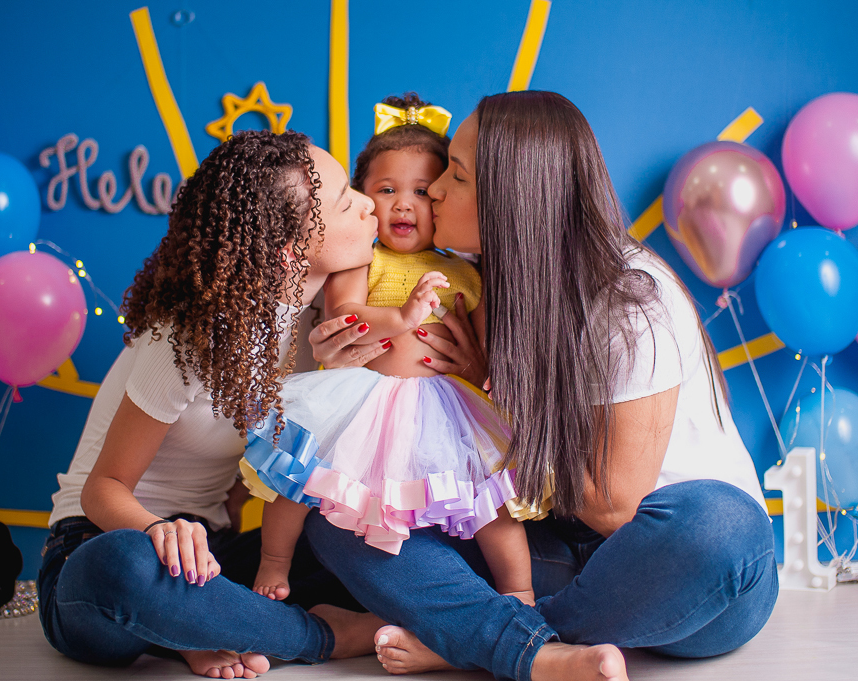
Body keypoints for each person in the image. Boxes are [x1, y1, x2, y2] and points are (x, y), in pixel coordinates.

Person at [304, 91, 778, 681]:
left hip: (676, 569)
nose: (435, 193)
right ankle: (515, 639)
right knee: (337, 513)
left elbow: (613, 507)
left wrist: (489, 389)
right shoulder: (479, 285)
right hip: (552, 548)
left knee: (724, 526)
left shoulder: (628, 300)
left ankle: (474, 638)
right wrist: (343, 357)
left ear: (512, 197)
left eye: (455, 175)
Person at [40, 130, 389, 679]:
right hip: (108, 539)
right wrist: (159, 530)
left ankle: (195, 628)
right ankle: (319, 637)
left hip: (210, 557)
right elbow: (101, 490)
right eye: (348, 200)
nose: (370, 204)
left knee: (352, 536)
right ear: (292, 251)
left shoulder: (313, 324)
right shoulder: (191, 334)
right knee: (122, 569)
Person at [243, 94, 535, 608]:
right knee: (299, 474)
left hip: (447, 409)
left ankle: (519, 589)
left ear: (443, 198)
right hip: (365, 400)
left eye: (422, 191)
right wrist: (401, 317)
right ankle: (273, 561)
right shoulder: (363, 258)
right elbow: (343, 310)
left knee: (492, 502)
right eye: (386, 189)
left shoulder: (467, 270)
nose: (404, 203)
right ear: (362, 198)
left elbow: (490, 346)